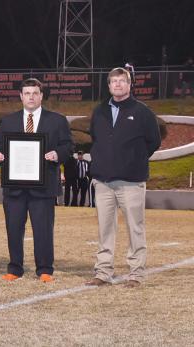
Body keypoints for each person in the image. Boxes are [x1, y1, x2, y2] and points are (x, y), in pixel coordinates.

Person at [0, 78, 73, 282]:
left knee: (43, 229)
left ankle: (45, 269)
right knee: (14, 228)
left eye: (35, 93)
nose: (31, 97)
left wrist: (57, 154)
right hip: (14, 187)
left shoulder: (57, 120)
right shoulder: (9, 120)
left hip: (43, 187)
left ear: (41, 96)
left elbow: (68, 147)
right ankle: (15, 268)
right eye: (27, 93)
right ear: (20, 96)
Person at [86, 67, 161, 288]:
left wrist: (132, 161)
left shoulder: (142, 112)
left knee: (135, 227)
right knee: (104, 229)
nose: (117, 85)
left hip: (131, 182)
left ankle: (136, 273)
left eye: (122, 81)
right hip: (103, 182)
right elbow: (96, 138)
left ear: (129, 85)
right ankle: (103, 272)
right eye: (113, 81)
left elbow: (153, 142)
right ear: (108, 85)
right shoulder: (99, 111)